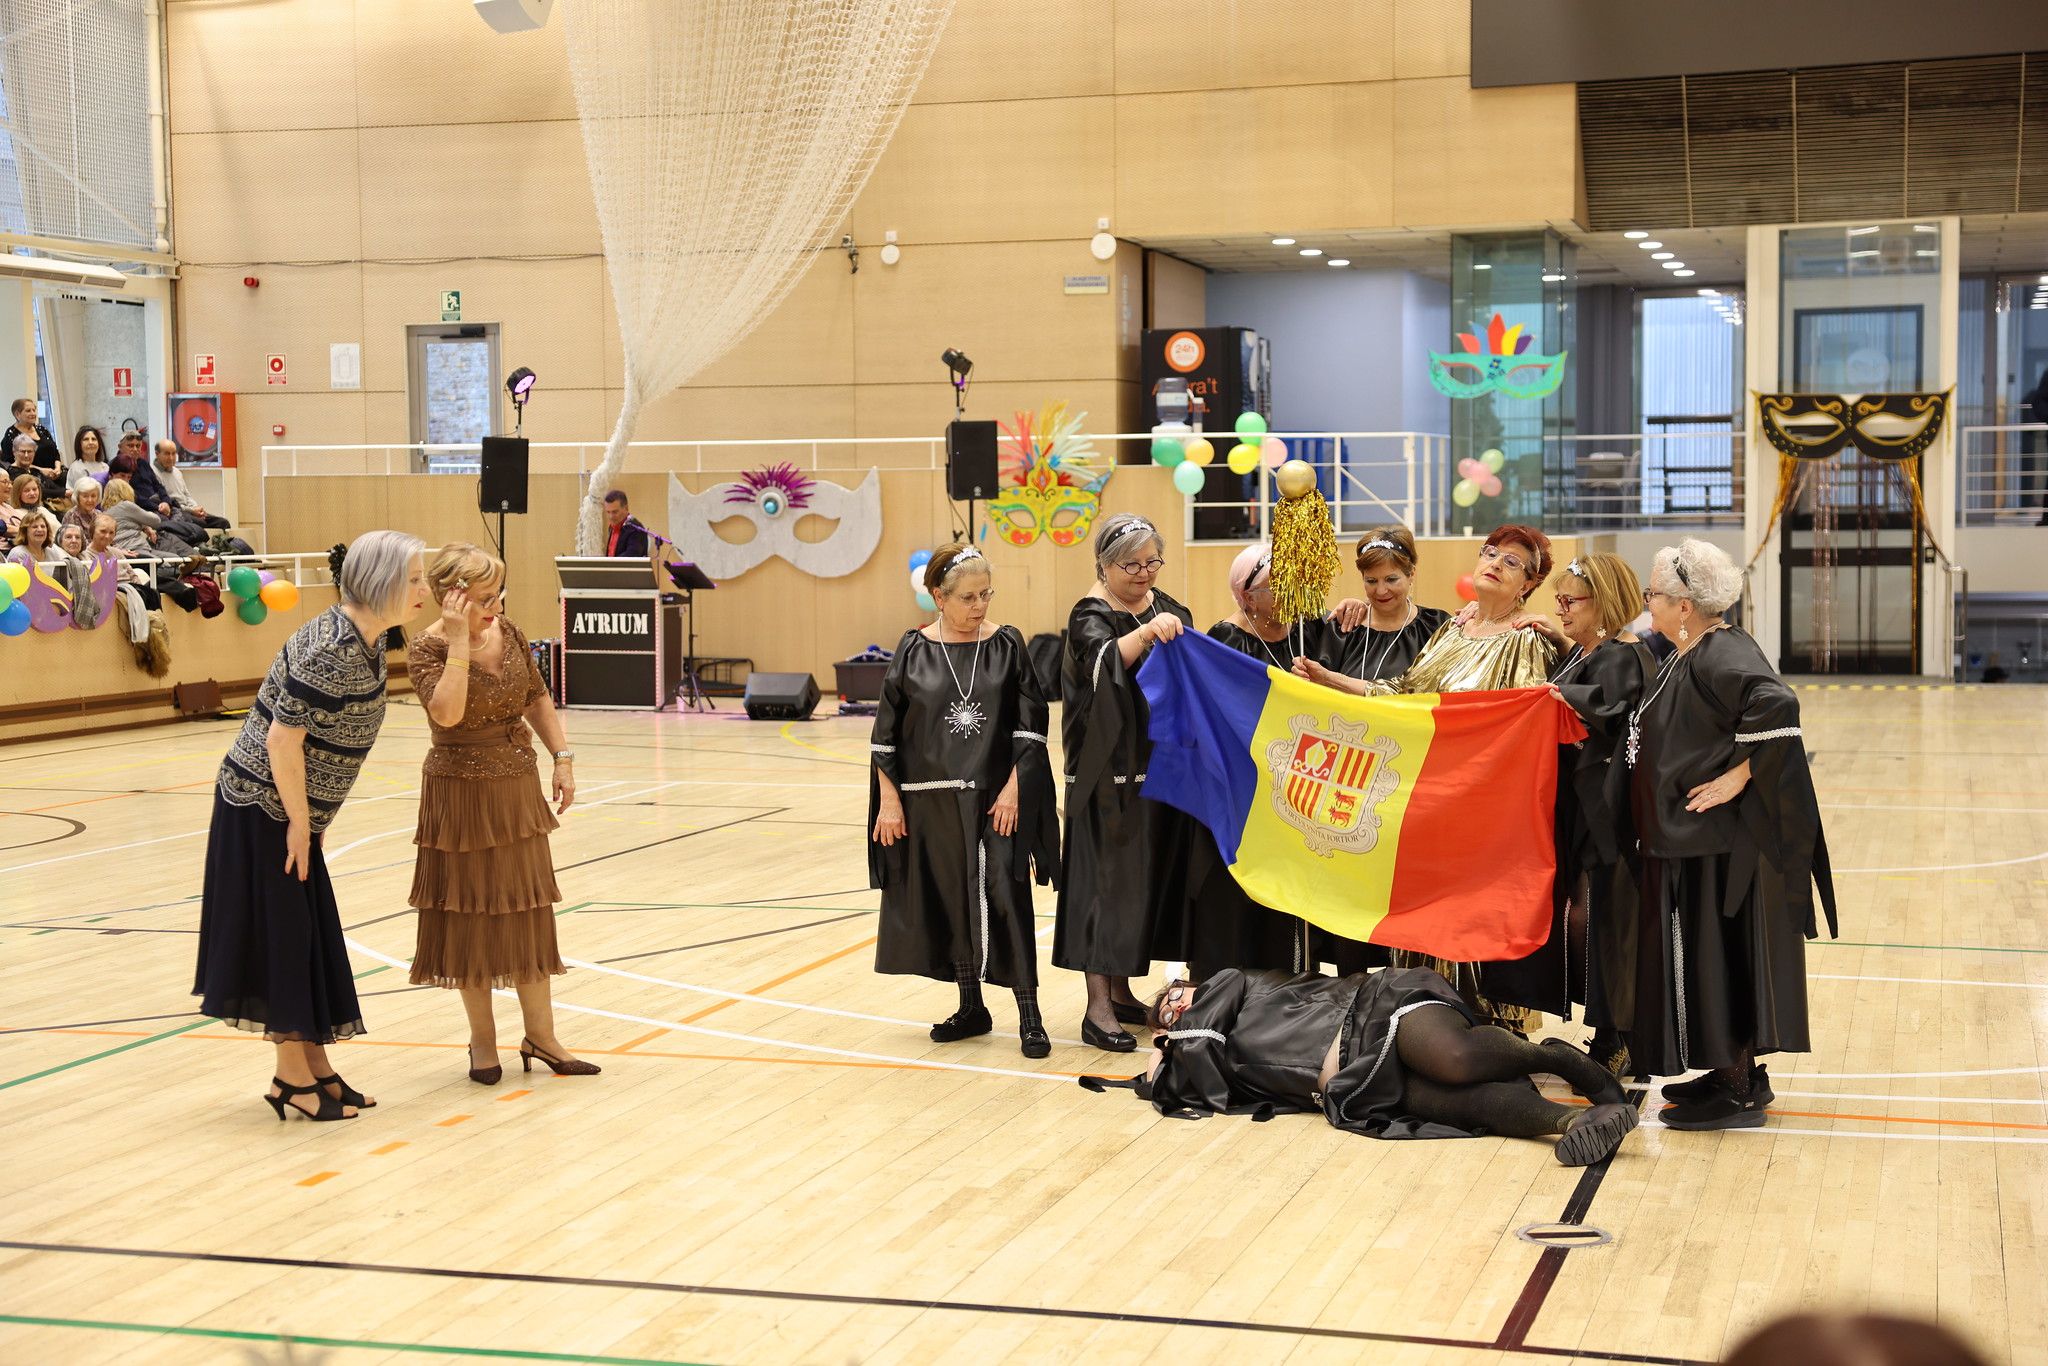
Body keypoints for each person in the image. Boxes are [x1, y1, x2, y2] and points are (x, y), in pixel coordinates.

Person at [192, 530, 429, 1121]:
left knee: (305, 934)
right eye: (417, 578)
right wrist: (300, 821)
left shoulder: (368, 639)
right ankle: (289, 1078)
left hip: (295, 813)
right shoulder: (330, 647)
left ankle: (316, 1067)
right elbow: (281, 739)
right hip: (262, 810)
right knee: (284, 938)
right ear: (384, 583)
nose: (424, 588)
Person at [1295, 525, 1559, 1033]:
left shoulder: (1526, 637)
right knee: (1423, 915)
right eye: (1489, 553)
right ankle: (1419, 1021)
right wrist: (1331, 681)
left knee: (1469, 920)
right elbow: (1403, 692)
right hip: (1428, 797)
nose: (1494, 563)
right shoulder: (1454, 629)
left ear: (1527, 584)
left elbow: (1518, 724)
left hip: (1479, 806)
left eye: (1511, 562)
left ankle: (1483, 1035)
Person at [1627, 538, 1835, 1130]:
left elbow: (1777, 702)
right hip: (1694, 839)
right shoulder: (1688, 651)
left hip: (1720, 844)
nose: (1649, 603)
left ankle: (1739, 1087)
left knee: (1721, 959)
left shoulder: (1721, 652)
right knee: (1712, 959)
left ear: (1685, 605)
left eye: (1655, 595)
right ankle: (1729, 1071)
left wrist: (1741, 775)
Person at [408, 542, 597, 1083]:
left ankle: (541, 1037)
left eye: (498, 594)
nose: (496, 605)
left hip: (516, 784)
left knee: (526, 908)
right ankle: (483, 1042)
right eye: (486, 597)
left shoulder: (508, 632)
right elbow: (447, 713)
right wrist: (461, 641)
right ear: (453, 597)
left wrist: (562, 759)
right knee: (470, 914)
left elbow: (536, 695)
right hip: (459, 791)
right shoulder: (426, 650)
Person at [1132, 968, 1637, 1167]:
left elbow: (1197, 1031)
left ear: (1188, 983)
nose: (1177, 1011)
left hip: (1376, 1009)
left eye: (1175, 999)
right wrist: (1161, 1059)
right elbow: (1189, 1094)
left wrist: (1173, 1039)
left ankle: (1552, 1055)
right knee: (1463, 1108)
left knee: (1454, 1060)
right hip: (1359, 1083)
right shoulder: (1203, 1053)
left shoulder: (1226, 985)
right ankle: (1575, 1123)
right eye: (1167, 1018)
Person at [869, 543, 1059, 1057]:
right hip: (929, 804)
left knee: (1006, 895)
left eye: (986, 594)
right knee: (952, 898)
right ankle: (972, 1005)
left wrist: (1016, 787)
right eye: (969, 597)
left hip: (998, 800)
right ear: (938, 597)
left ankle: (1029, 1014)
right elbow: (885, 736)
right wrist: (889, 801)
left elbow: (1031, 727)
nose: (980, 606)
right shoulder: (912, 649)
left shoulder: (1007, 644)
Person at [1486, 554, 1654, 1073]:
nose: (1559, 609)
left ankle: (1617, 1038)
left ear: (1602, 602)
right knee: (1586, 920)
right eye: (1557, 600)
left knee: (1604, 924)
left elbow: (1605, 711)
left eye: (1569, 601)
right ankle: (1609, 1032)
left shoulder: (1625, 656)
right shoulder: (1592, 650)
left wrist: (1555, 694)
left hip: (1607, 816)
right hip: (1582, 810)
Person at [1168, 542, 1353, 983]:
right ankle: (1218, 999)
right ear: (1246, 595)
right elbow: (1212, 717)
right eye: (1277, 586)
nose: (1289, 594)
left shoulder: (1310, 630)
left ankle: (1286, 999)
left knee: (1285, 907)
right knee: (1228, 901)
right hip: (1238, 796)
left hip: (1296, 795)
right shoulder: (1223, 639)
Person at [1053, 513, 1193, 1052]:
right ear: (1104, 566)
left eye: (1151, 562)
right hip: (1102, 773)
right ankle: (1096, 1008)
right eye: (1129, 565)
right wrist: (1144, 633)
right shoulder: (1090, 614)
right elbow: (1103, 666)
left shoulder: (1166, 606)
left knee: (1137, 885)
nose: (1142, 573)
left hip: (1152, 768)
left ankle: (1122, 988)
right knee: (1100, 887)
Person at [1337, 526, 1451, 684]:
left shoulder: (1437, 627)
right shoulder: (1345, 627)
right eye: (1371, 581)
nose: (1381, 591)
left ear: (1411, 574)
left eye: (1391, 579)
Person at [153, 439, 232, 531]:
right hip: (175, 513)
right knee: (200, 523)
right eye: (167, 454)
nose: (171, 458)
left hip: (189, 511)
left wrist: (196, 508)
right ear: (157, 454)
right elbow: (165, 503)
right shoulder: (152, 473)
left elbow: (187, 495)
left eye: (174, 453)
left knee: (223, 523)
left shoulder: (177, 472)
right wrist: (192, 511)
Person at [9, 398, 60, 474]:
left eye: (34, 410)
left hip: (54, 473)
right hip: (31, 475)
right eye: (28, 411)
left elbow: (56, 453)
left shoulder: (42, 429)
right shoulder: (11, 434)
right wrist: (40, 470)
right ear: (17, 414)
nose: (33, 413)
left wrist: (57, 469)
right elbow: (14, 463)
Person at [600, 489, 651, 559]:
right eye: (608, 512)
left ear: (626, 508)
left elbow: (632, 556)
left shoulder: (635, 529)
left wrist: (610, 564)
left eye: (615, 512)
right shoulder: (613, 527)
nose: (611, 517)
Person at [69, 425, 110, 490]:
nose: (90, 442)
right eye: (86, 439)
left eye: (93, 439)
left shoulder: (105, 467)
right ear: (79, 444)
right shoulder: (76, 468)